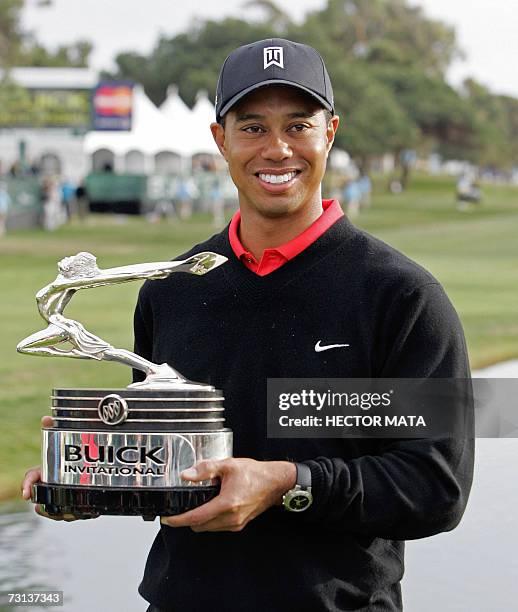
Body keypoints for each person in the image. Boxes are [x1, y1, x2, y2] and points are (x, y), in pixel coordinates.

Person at [22, 38, 474, 611]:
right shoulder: (172, 289)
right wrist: (90, 480)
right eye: (254, 127)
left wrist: (287, 483)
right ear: (221, 139)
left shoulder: (401, 296)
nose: (278, 149)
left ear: (329, 132)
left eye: (299, 125)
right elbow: (164, 465)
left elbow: (436, 486)